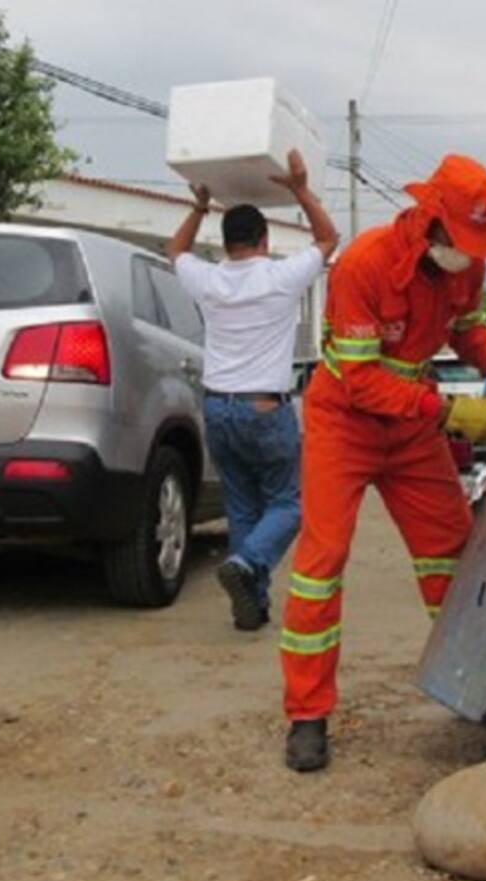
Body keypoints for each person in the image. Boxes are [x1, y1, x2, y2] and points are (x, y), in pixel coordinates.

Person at [281, 154, 486, 772]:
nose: (472, 253)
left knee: (453, 551)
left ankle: (478, 689)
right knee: (321, 562)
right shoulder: (364, 266)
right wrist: (450, 414)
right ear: (431, 219)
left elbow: (468, 333)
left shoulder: (465, 269)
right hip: (346, 422)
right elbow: (364, 381)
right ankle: (307, 715)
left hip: (412, 425)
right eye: (464, 239)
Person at [167, 150, 339, 631]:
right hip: (265, 408)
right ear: (263, 241)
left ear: (225, 245)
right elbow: (327, 238)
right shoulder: (281, 276)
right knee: (289, 504)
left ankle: (253, 606)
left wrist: (200, 207)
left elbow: (174, 251)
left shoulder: (209, 279)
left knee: (242, 506)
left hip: (217, 409)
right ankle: (247, 567)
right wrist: (299, 188)